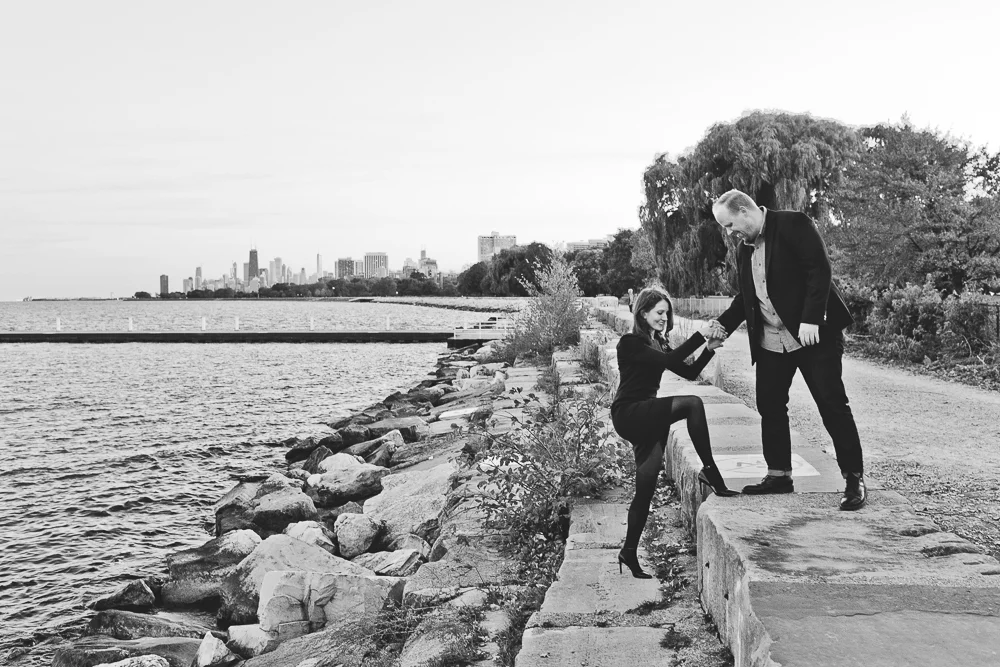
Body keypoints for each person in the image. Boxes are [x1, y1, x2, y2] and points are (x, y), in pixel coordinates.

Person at [709, 189, 866, 511]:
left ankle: (854, 479)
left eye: (729, 224)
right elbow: (746, 298)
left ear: (744, 211)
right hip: (770, 341)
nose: (729, 232)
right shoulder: (744, 250)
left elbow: (818, 271)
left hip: (813, 337)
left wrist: (812, 318)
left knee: (832, 404)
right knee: (770, 405)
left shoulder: (793, 224)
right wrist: (721, 326)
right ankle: (779, 475)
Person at [611, 287, 736, 579]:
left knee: (646, 485)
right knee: (693, 404)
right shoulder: (630, 343)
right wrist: (701, 333)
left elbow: (689, 372)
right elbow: (669, 363)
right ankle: (711, 471)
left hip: (648, 415)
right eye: (659, 312)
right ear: (643, 312)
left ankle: (628, 552)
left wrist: (710, 348)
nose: (664, 318)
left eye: (667, 313)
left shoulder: (659, 344)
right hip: (630, 413)